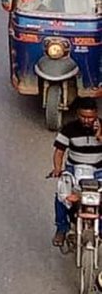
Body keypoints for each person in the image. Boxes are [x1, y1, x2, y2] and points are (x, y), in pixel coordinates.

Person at [49, 97, 102, 246]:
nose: (87, 120)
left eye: (90, 117)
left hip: (98, 171)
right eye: (83, 116)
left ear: (96, 114)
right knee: (61, 196)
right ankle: (62, 228)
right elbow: (59, 152)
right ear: (78, 114)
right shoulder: (69, 129)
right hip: (74, 169)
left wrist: (99, 135)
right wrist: (58, 169)